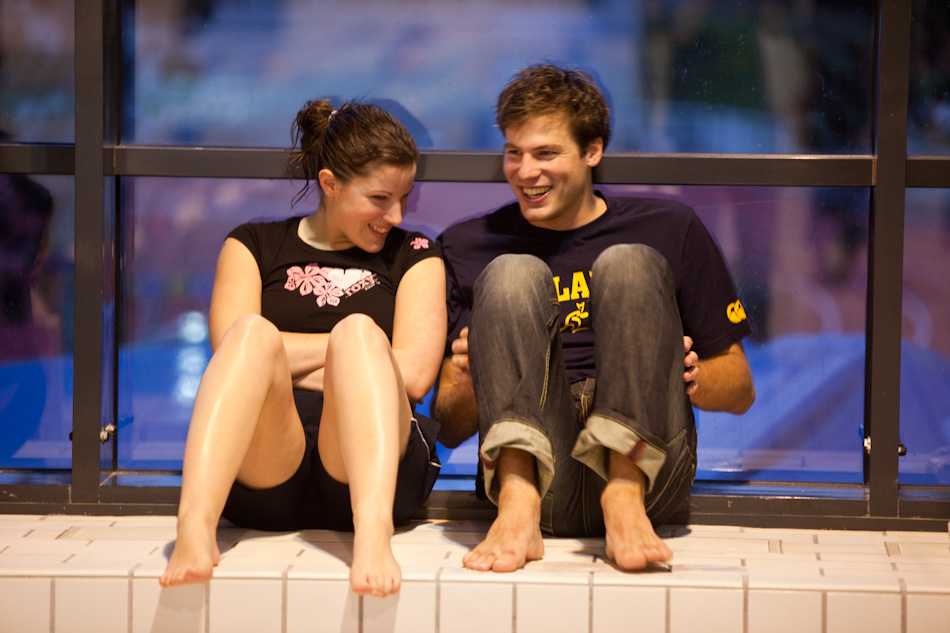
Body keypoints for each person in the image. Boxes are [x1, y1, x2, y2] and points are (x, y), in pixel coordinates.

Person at [434, 64, 755, 573]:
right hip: (539, 474)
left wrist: (690, 376)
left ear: (593, 150)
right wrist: (480, 376)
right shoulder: (467, 246)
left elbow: (740, 389)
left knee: (630, 263)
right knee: (512, 273)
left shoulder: (670, 228)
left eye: (546, 153)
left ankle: (623, 496)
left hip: (650, 475)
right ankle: (516, 505)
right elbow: (449, 427)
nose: (525, 172)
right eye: (514, 153)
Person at [159, 100, 446, 597]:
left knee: (358, 333)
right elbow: (231, 356)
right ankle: (194, 528)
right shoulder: (252, 244)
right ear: (330, 183)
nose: (396, 215)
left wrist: (320, 358)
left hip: (374, 473)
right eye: (380, 198)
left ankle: (373, 538)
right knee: (252, 335)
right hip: (270, 464)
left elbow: (416, 375)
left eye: (404, 197)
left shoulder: (416, 255)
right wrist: (350, 366)